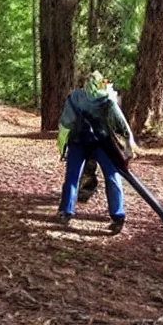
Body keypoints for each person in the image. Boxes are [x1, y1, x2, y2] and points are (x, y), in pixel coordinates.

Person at [57, 71, 135, 233]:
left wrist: (62, 146)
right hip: (103, 144)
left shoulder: (75, 97)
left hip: (78, 142)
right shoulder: (107, 100)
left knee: (72, 177)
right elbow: (122, 127)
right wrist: (128, 149)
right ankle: (118, 216)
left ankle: (66, 212)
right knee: (112, 177)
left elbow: (66, 123)